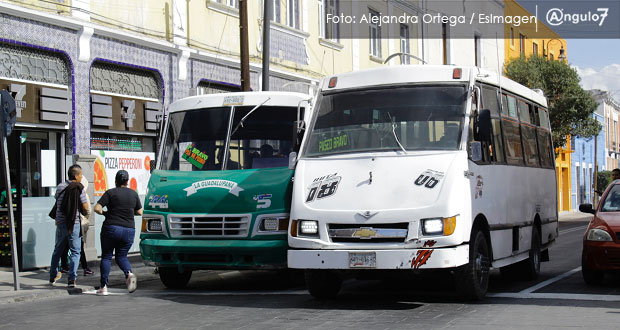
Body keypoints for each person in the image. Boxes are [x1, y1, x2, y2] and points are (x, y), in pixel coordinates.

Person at [94, 170, 143, 296]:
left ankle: (103, 287)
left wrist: (105, 213)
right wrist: (128, 212)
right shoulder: (133, 194)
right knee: (121, 256)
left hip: (111, 227)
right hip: (128, 230)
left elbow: (97, 208)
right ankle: (129, 273)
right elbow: (140, 212)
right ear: (127, 181)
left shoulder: (110, 193)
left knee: (106, 256)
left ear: (116, 181)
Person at [48, 164, 89, 288]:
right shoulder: (79, 188)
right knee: (76, 252)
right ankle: (71, 279)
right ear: (76, 176)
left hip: (60, 223)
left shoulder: (60, 186)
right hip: (74, 223)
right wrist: (85, 213)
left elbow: (57, 200)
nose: (81, 177)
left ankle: (53, 275)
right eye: (81, 175)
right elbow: (85, 207)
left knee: (58, 250)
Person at [59, 176, 94, 276]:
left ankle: (64, 267)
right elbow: (88, 210)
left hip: (65, 222)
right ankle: (82, 269)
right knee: (78, 248)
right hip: (78, 222)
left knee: (64, 245)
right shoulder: (82, 192)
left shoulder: (65, 190)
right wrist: (85, 217)